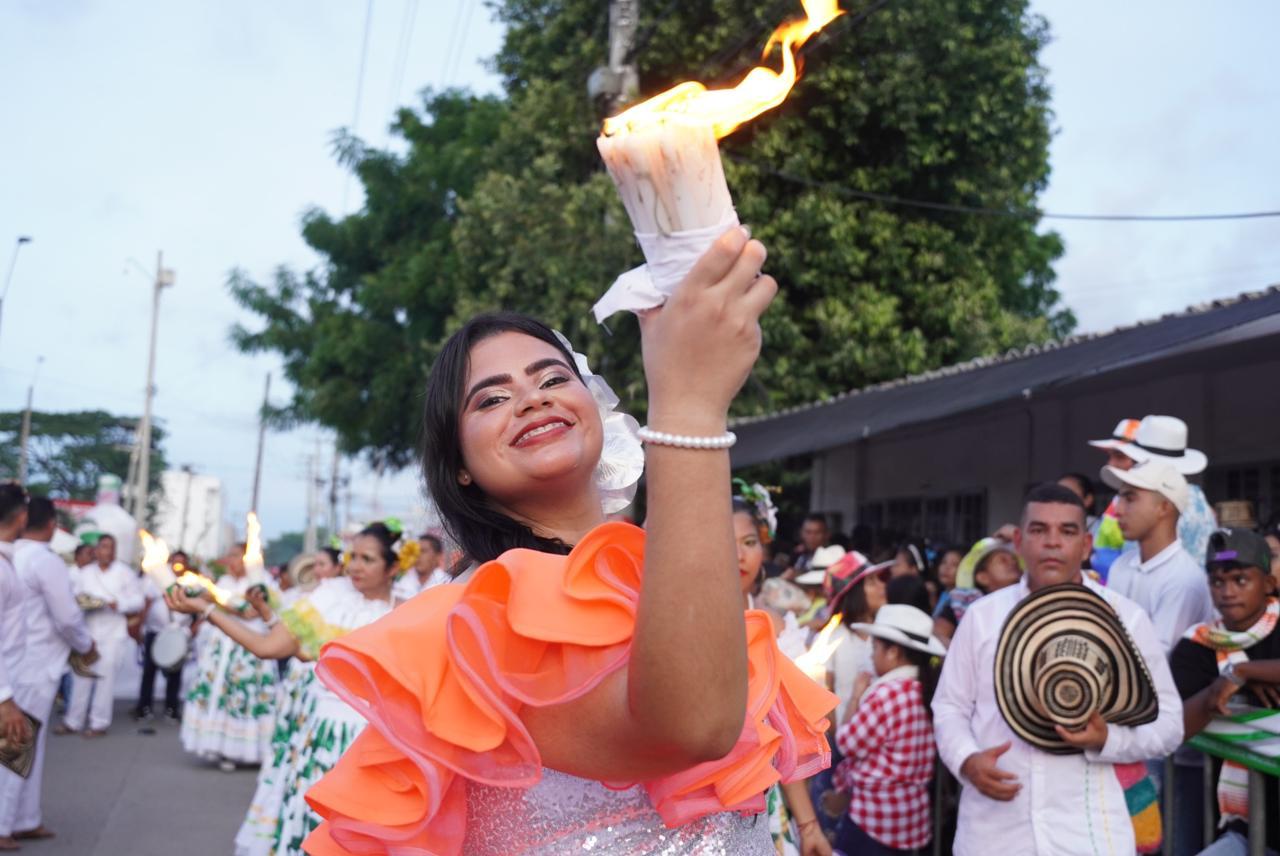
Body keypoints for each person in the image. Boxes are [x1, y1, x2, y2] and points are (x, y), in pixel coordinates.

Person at [304, 231, 840, 854]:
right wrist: (689, 404)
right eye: (493, 398)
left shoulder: (668, 575)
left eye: (552, 377)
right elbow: (690, 730)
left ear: (594, 405)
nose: (532, 399)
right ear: (460, 466)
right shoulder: (482, 618)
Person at [932, 483, 1183, 856]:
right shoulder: (983, 618)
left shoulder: (1125, 619)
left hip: (1090, 835)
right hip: (994, 835)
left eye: (1067, 531)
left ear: (1085, 545)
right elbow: (950, 707)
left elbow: (1169, 725)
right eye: (1038, 530)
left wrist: (1106, 740)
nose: (1052, 542)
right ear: (1018, 541)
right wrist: (966, 760)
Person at [167, 522, 400, 856]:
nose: (355, 566)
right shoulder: (329, 597)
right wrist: (206, 610)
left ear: (393, 567)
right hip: (323, 734)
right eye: (353, 556)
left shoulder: (408, 608)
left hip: (376, 744)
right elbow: (268, 646)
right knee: (315, 829)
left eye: (368, 559)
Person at [1169, 528, 1280, 856]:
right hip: (1247, 826)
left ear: (1269, 584)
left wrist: (1242, 672)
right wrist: (1214, 692)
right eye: (1217, 582)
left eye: (1240, 580)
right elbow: (1178, 727)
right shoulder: (1197, 646)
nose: (1227, 592)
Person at [734, 496, 831, 856]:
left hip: (765, 803)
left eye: (749, 542)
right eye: (726, 544)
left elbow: (786, 738)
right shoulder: (682, 624)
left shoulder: (777, 627)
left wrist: (808, 826)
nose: (741, 556)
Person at [4, 497, 95, 845]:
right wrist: (87, 646)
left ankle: (26, 817)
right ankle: (3, 823)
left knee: (31, 745)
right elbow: (68, 617)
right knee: (17, 745)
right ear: (52, 524)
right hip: (33, 664)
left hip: (23, 662)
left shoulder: (17, 555)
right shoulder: (42, 560)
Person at [829, 604, 945, 855]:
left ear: (893, 652)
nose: (871, 656)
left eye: (875, 648)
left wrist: (856, 696)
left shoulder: (887, 694)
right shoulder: (926, 688)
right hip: (912, 821)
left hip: (873, 821)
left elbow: (846, 744)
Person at [179, 543, 277, 770]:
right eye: (229, 555)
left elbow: (252, 612)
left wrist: (217, 602)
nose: (230, 560)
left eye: (235, 555)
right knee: (218, 695)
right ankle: (221, 748)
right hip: (222, 646)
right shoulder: (224, 582)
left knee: (244, 698)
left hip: (250, 647)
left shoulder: (261, 583)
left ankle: (248, 749)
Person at [1102, 458, 1215, 654]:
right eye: (1120, 498)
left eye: (1130, 499)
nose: (1118, 510)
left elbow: (1156, 661)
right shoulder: (1121, 565)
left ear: (1164, 507)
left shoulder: (1183, 580)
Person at [58, 533, 142, 736]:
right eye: (103, 546)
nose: (107, 551)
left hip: (113, 633)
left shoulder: (125, 573)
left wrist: (118, 604)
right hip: (87, 632)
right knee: (81, 677)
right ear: (96, 550)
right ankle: (73, 721)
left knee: (105, 679)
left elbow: (138, 601)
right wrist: (86, 603)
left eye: (111, 547)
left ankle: (98, 723)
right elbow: (73, 598)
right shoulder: (85, 573)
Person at [0, 484, 35, 853]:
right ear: (22, 517)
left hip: (12, 675)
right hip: (5, 683)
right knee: (10, 754)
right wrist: (5, 698)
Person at [932, 536, 1022, 643]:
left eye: (1015, 560)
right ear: (983, 577)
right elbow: (937, 637)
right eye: (1003, 560)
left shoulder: (1026, 599)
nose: (1012, 563)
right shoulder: (961, 601)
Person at [134, 549, 186, 722]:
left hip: (178, 634)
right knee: (149, 672)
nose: (178, 565)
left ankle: (171, 709)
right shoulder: (156, 581)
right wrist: (140, 627)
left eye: (182, 562)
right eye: (175, 561)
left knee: (175, 673)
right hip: (155, 633)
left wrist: (193, 629)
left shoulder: (190, 582)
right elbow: (146, 604)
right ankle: (144, 707)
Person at [391, 533, 450, 601]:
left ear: (437, 556)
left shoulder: (446, 582)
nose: (418, 556)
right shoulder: (402, 580)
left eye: (423, 551)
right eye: (416, 551)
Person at [790, 514, 831, 580]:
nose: (812, 537)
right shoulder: (798, 555)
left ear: (827, 534)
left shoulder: (832, 558)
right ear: (801, 533)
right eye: (808, 532)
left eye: (817, 533)